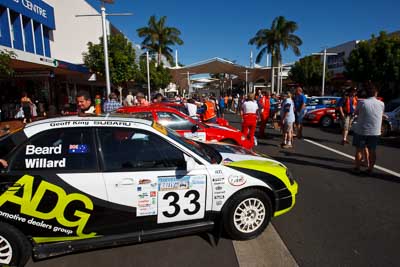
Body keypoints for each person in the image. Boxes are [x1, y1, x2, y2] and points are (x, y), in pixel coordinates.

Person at [352, 85, 384, 175]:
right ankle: (370, 169)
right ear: (376, 94)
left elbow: (355, 113)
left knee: (359, 150)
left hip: (362, 130)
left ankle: (357, 168)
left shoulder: (362, 103)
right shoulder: (381, 104)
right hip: (375, 131)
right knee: (372, 151)